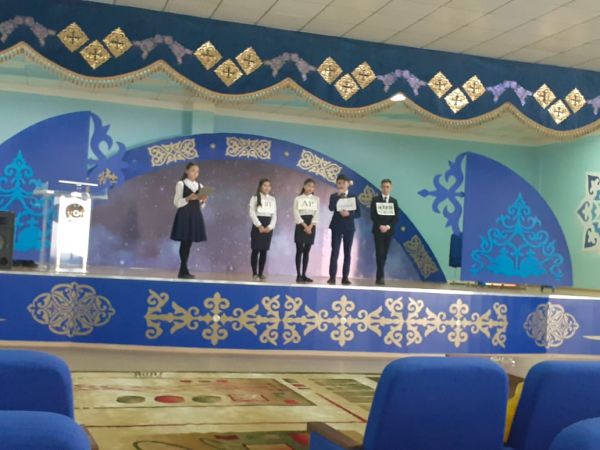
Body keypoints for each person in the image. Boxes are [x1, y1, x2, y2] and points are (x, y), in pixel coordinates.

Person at [170, 162, 208, 279]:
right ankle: (183, 270)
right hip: (184, 215)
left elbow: (200, 206)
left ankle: (184, 269)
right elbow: (176, 202)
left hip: (195, 215)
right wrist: (187, 198)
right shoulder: (181, 184)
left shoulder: (200, 186)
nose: (195, 173)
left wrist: (203, 201)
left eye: (197, 172)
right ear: (187, 171)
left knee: (188, 243)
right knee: (184, 242)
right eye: (193, 170)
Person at [328, 174, 360, 285]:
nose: (341, 185)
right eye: (339, 183)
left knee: (347, 253)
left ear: (347, 184)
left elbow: (358, 213)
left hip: (349, 227)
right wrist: (338, 196)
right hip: (336, 226)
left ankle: (345, 278)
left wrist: (349, 214)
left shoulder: (353, 196)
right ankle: (332, 277)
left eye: (343, 183)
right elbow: (331, 208)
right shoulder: (334, 196)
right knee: (334, 252)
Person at [370, 178, 400, 285]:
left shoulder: (394, 201)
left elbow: (396, 217)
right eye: (383, 187)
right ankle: (380, 276)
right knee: (379, 253)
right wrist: (380, 226)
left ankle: (380, 275)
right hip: (378, 231)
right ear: (381, 187)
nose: (385, 189)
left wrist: (387, 226)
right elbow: (372, 215)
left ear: (391, 188)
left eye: (387, 187)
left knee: (384, 254)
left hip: (389, 231)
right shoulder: (375, 200)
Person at [249, 178, 277, 281]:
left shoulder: (272, 199)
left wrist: (270, 226)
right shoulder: (255, 198)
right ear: (260, 186)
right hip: (258, 225)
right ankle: (254, 273)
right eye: (265, 185)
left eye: (269, 186)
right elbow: (252, 213)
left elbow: (274, 215)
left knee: (264, 251)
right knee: (256, 250)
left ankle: (261, 273)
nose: (267, 188)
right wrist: (259, 226)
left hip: (268, 225)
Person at [293, 178, 320, 283]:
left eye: (312, 186)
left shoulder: (316, 199)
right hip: (301, 224)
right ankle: (298, 275)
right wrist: (304, 225)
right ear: (304, 186)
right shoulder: (298, 198)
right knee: (299, 250)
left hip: (311, 224)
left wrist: (311, 226)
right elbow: (296, 212)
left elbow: (317, 213)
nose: (310, 188)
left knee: (307, 251)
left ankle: (304, 274)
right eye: (308, 186)